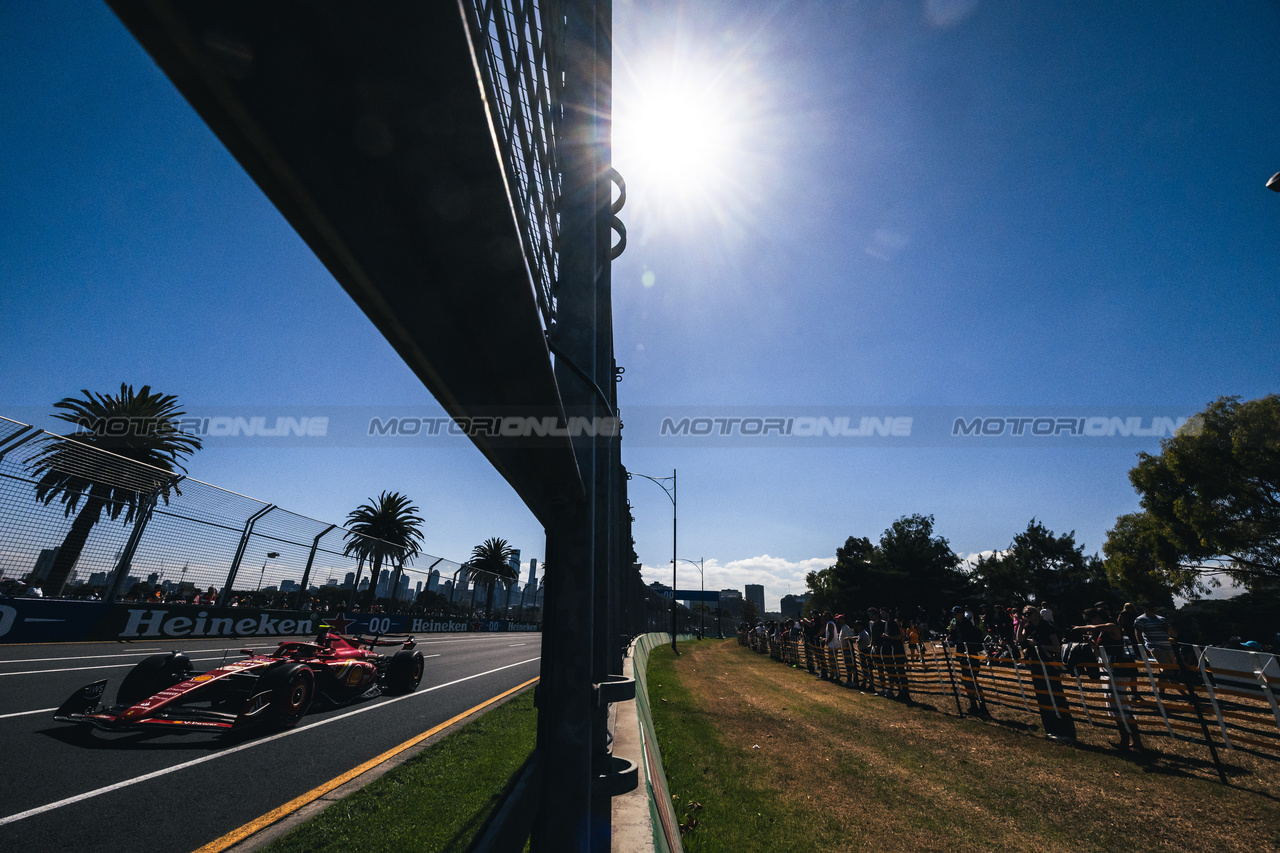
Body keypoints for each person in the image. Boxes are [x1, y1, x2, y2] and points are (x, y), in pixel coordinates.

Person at [1078, 606, 1143, 750]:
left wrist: (1080, 628)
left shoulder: (1112, 626)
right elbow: (1100, 652)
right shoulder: (1101, 632)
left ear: (1098, 617)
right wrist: (1092, 645)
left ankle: (1126, 741)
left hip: (1117, 670)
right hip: (1107, 668)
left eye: (1090, 619)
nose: (1089, 623)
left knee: (1119, 706)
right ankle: (1132, 741)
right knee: (1117, 706)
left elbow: (1096, 627)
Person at [1018, 605, 1076, 742]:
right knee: (1042, 697)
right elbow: (1020, 640)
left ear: (1037, 613)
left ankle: (1066, 732)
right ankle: (1050, 729)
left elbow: (1057, 647)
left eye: (1029, 613)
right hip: (1035, 665)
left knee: (1056, 697)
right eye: (1025, 614)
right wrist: (1020, 625)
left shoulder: (1047, 626)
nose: (1027, 616)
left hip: (1049, 665)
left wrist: (1038, 645)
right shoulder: (1028, 627)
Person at [948, 606, 989, 717]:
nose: (954, 616)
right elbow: (954, 640)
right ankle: (973, 706)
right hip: (963, 657)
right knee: (967, 682)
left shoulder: (967, 625)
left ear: (961, 614)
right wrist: (951, 630)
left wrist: (955, 629)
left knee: (973, 682)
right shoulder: (957, 625)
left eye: (956, 614)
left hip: (971, 656)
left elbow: (968, 637)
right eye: (953, 615)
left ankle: (983, 707)